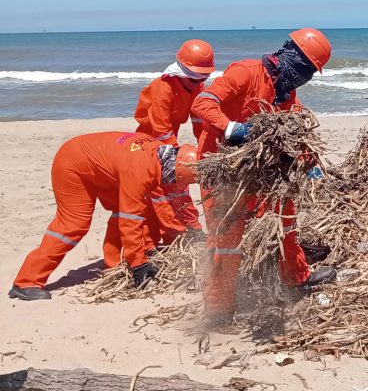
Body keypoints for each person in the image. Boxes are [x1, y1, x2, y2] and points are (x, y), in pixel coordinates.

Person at [190, 28, 337, 324]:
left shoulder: (285, 92)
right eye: (304, 68)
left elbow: (293, 130)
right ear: (288, 57)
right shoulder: (244, 73)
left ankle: (296, 278)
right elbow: (202, 103)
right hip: (221, 168)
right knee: (226, 238)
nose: (304, 77)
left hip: (258, 172)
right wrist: (231, 128)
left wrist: (310, 161)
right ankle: (219, 309)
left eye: (310, 72)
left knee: (284, 217)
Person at [9, 134, 198, 300]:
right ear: (174, 170)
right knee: (73, 225)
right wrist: (139, 264)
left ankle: (113, 265)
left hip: (100, 164)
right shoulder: (139, 171)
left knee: (135, 207)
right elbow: (130, 220)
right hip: (73, 164)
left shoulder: (162, 154)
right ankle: (27, 281)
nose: (172, 183)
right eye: (174, 180)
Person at [133, 39, 215, 247]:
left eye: (201, 79)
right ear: (182, 71)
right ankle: (177, 236)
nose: (198, 84)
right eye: (194, 80)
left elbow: (199, 121)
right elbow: (160, 129)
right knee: (164, 191)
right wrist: (174, 154)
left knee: (178, 188)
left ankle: (190, 231)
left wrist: (207, 147)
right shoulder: (164, 87)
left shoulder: (196, 87)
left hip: (169, 140)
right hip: (148, 143)